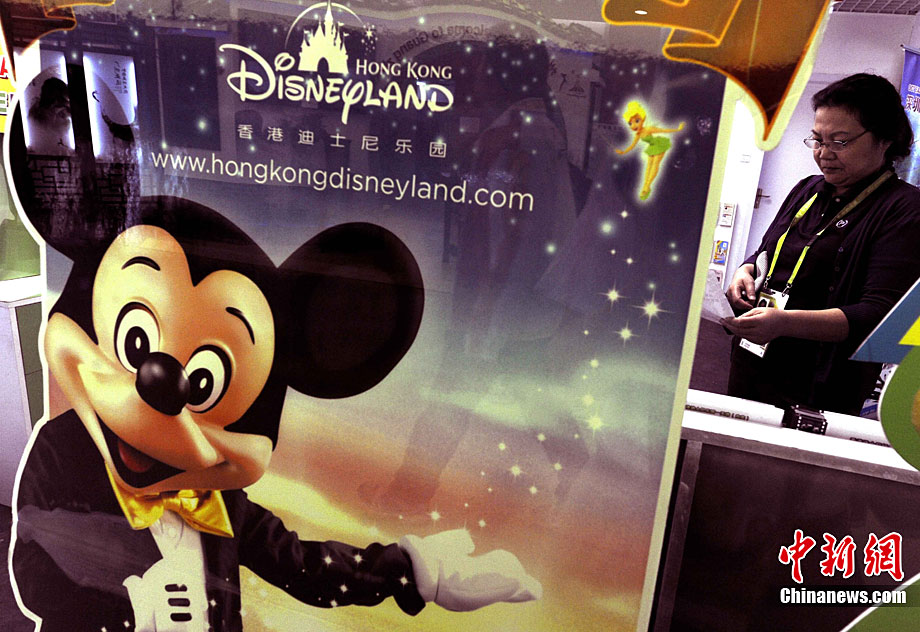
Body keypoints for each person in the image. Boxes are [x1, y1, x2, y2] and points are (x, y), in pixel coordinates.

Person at [723, 73, 920, 416]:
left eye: (840, 142)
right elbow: (770, 251)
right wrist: (746, 269)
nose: (824, 154)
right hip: (755, 360)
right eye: (817, 140)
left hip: (819, 387)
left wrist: (784, 322)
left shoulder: (904, 208)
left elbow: (878, 316)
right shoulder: (807, 190)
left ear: (885, 140)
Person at [615, 100, 684, 200]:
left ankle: (647, 186)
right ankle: (645, 185)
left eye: (637, 121)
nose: (634, 125)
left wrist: (678, 129)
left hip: (659, 144)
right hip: (652, 147)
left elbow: (664, 130)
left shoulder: (649, 129)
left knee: (655, 164)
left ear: (642, 119)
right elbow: (632, 145)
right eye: (630, 123)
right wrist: (623, 152)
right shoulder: (638, 135)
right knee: (648, 167)